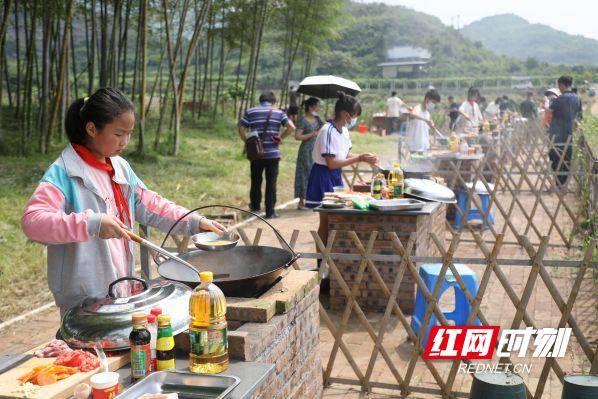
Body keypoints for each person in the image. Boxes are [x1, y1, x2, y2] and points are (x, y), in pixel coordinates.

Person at [20, 88, 226, 317]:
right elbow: (33, 222)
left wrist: (194, 221)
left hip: (121, 288)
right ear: (91, 129)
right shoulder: (65, 173)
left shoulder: (119, 167)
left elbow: (150, 204)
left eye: (129, 133)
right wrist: (92, 223)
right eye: (118, 134)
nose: (125, 142)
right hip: (83, 301)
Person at [305, 91, 378, 242]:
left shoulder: (344, 130)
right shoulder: (327, 130)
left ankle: (328, 258)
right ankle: (322, 262)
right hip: (323, 176)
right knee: (325, 222)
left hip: (334, 175)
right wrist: (359, 158)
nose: (355, 119)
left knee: (334, 220)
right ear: (345, 114)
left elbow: (343, 155)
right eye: (355, 115)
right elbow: (331, 164)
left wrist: (364, 157)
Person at [239, 91, 295, 218]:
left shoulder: (251, 112)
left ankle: (255, 207)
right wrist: (280, 137)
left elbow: (241, 128)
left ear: (260, 101)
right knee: (271, 182)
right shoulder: (279, 113)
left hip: (256, 153)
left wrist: (246, 141)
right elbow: (291, 127)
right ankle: (270, 211)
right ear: (273, 102)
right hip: (273, 154)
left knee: (256, 181)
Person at [548, 76, 582, 188]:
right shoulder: (577, 99)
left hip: (556, 134)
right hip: (569, 134)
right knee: (567, 158)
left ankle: (559, 183)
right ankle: (563, 183)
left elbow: (550, 111)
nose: (559, 88)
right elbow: (579, 117)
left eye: (559, 85)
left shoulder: (560, 98)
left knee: (555, 157)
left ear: (562, 84)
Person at [294, 97, 322, 210]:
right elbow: (297, 136)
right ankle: (301, 201)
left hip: (316, 149)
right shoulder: (303, 120)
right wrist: (312, 134)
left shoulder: (318, 119)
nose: (318, 108)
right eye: (316, 105)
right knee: (304, 174)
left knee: (314, 173)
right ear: (311, 107)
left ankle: (312, 198)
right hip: (306, 150)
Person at [404, 89, 441, 153]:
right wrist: (425, 120)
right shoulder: (417, 108)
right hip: (415, 147)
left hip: (424, 147)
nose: (434, 105)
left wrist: (430, 143)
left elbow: (425, 132)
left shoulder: (427, 113)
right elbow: (412, 115)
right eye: (433, 102)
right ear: (427, 99)